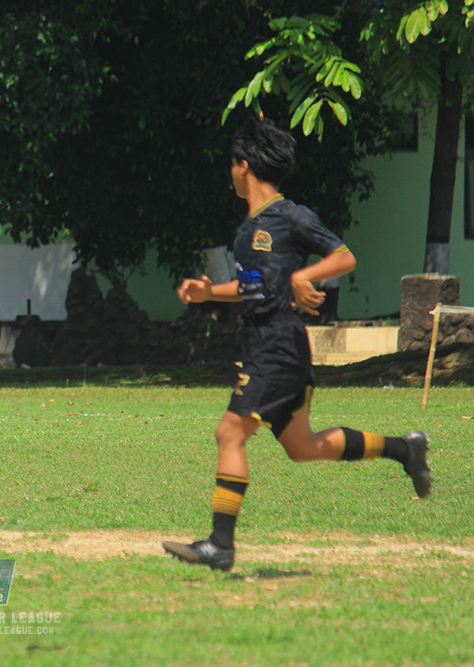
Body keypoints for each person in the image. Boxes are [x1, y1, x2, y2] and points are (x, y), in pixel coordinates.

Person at [162, 118, 432, 572]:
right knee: (302, 446)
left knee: (229, 433)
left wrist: (304, 276)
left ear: (243, 167)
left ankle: (220, 545)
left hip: (278, 343)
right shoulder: (248, 228)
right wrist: (210, 293)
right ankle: (405, 450)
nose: (230, 172)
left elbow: (344, 256)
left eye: (232, 165)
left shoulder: (291, 215)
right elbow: (254, 289)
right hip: (269, 341)